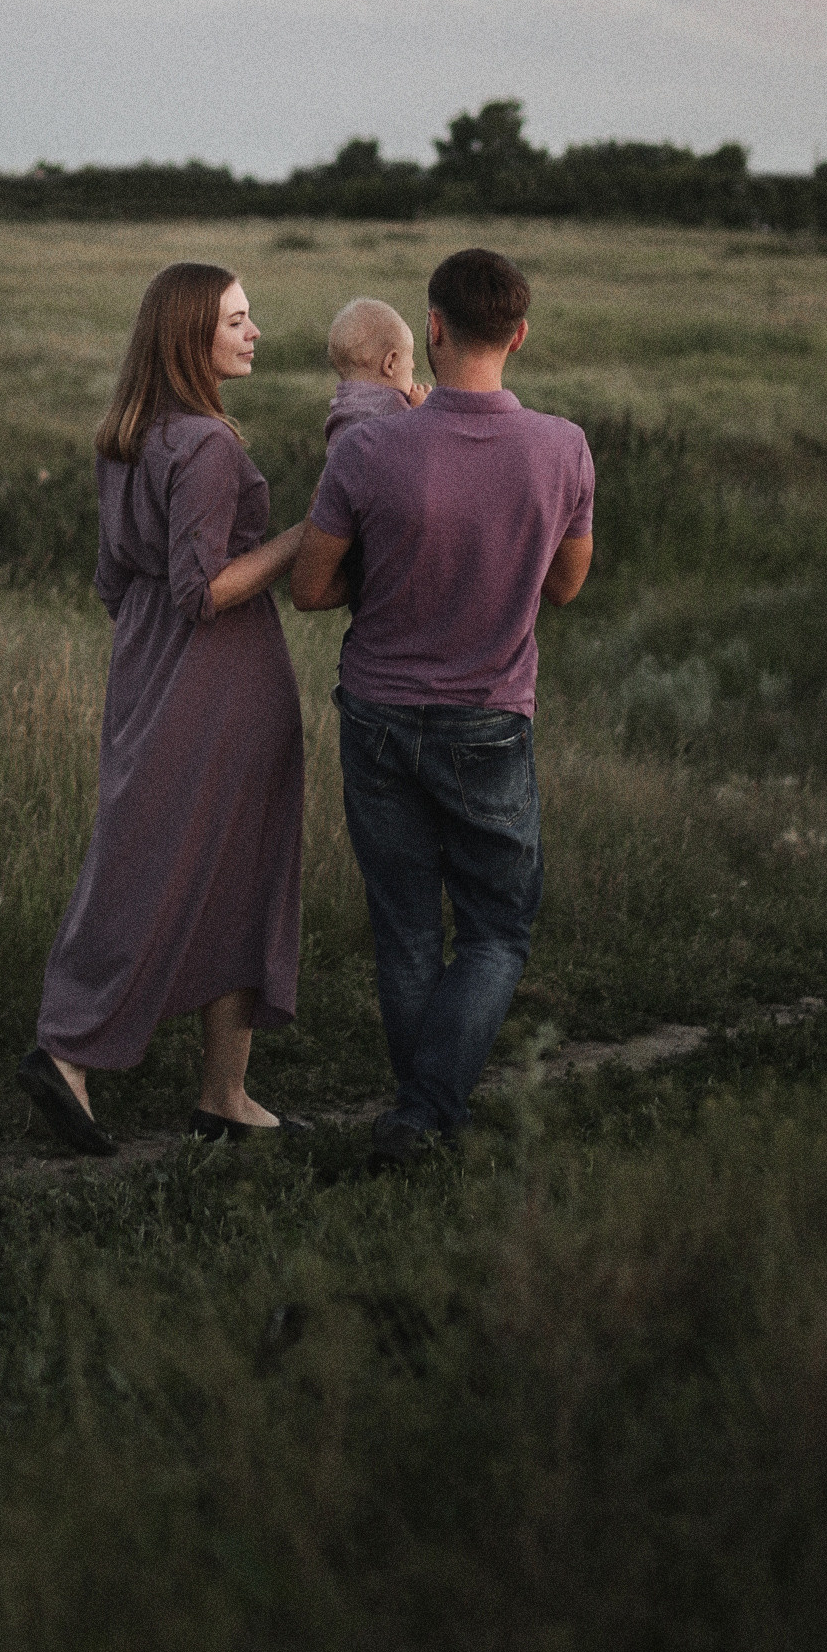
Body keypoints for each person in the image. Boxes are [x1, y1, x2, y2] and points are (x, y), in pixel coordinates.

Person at [290, 244, 593, 1166]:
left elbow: (309, 589)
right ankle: (425, 1114)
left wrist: (386, 577)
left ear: (431, 328)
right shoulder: (562, 447)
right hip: (489, 720)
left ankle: (418, 1113)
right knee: (497, 925)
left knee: (408, 924)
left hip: (377, 714)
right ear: (519, 334)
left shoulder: (368, 446)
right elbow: (567, 587)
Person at [18, 262, 309, 1158]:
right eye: (237, 319)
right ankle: (71, 1052)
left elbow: (115, 581)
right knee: (204, 866)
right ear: (192, 338)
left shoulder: (129, 437)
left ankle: (224, 1093)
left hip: (142, 666)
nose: (254, 333)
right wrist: (307, 534)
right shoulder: (209, 446)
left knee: (172, 859)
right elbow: (205, 590)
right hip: (217, 678)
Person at [324, 295, 426, 438]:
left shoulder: (341, 408)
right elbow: (420, 443)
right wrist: (422, 411)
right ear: (390, 363)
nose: (412, 380)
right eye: (411, 370)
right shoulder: (391, 405)